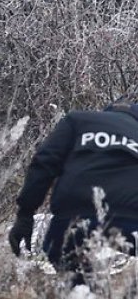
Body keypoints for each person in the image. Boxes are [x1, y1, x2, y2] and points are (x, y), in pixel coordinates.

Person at [9, 100, 138, 281]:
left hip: (73, 219)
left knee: (66, 260)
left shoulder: (77, 120)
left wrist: (25, 213)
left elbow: (44, 163)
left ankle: (83, 289)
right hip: (131, 221)